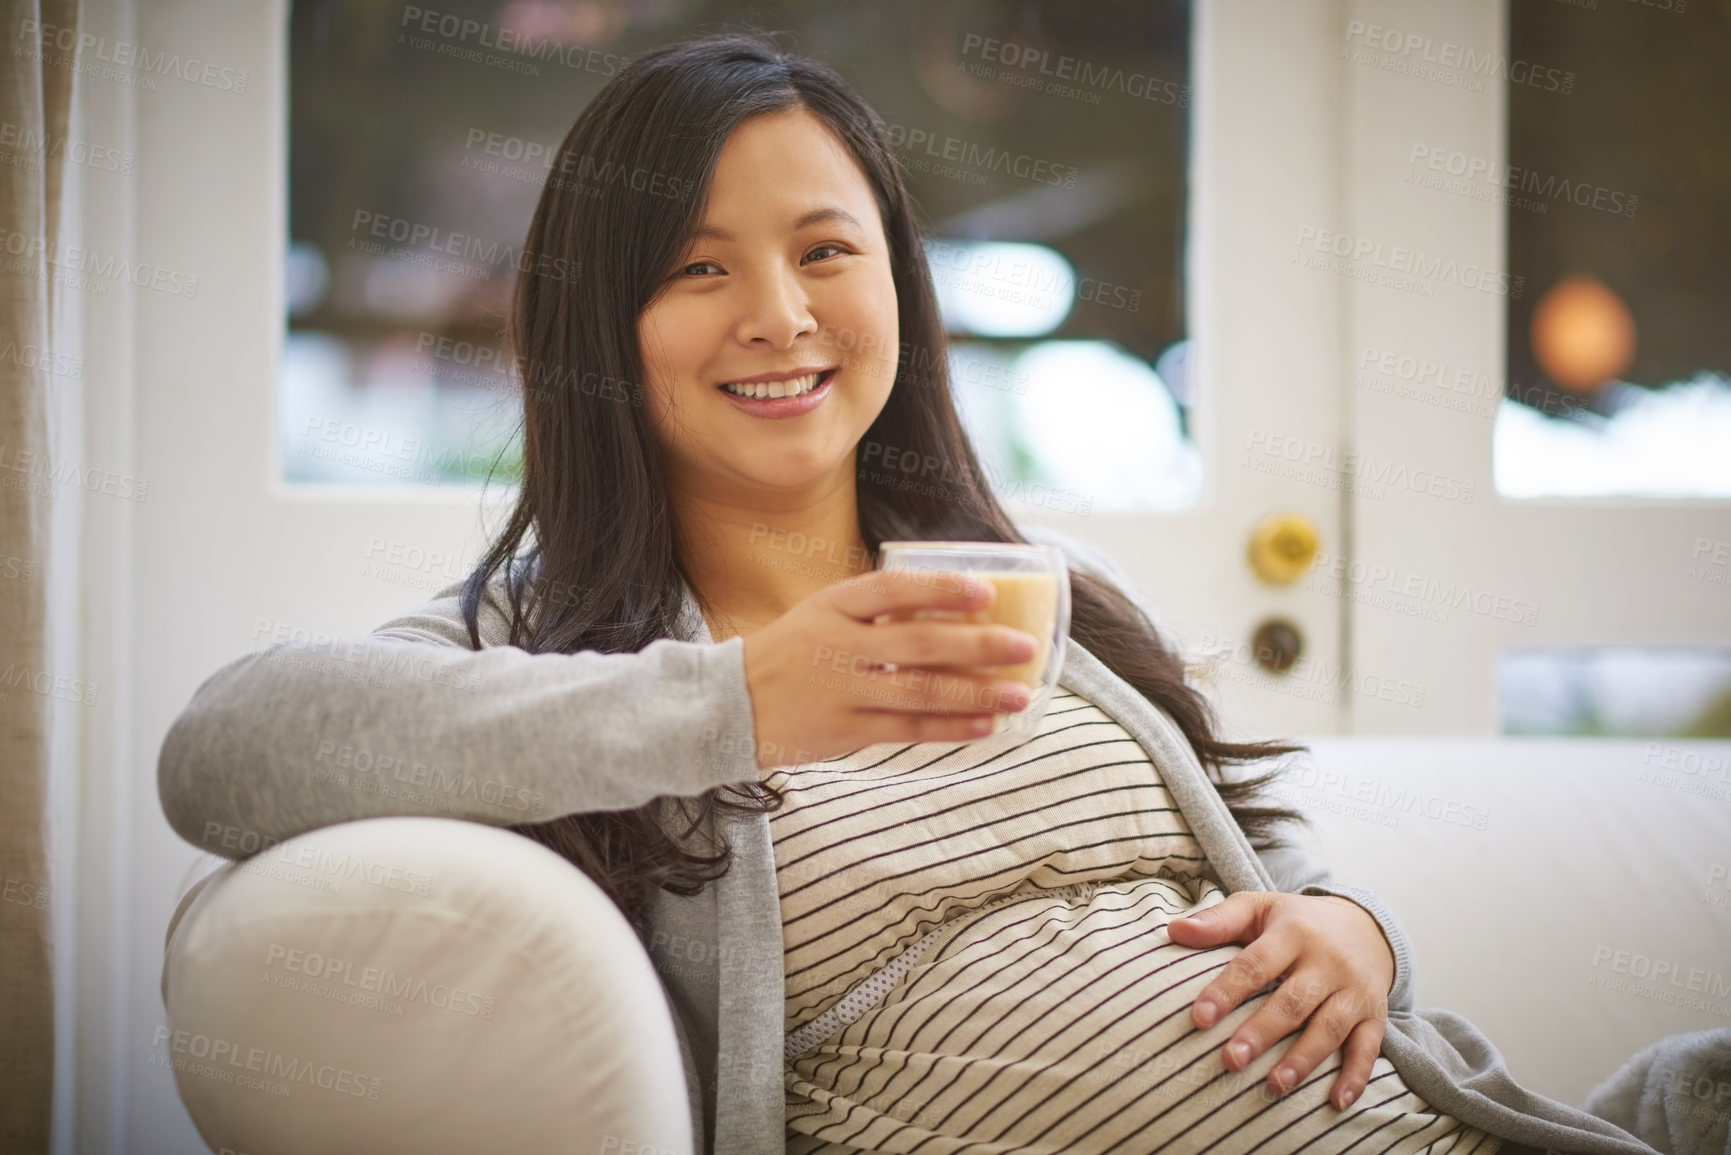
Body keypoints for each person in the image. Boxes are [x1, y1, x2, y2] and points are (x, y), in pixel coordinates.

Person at [158, 32, 1658, 1155]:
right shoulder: (553, 650)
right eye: (696, 268)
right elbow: (227, 750)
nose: (782, 315)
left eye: (827, 251)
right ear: (599, 322)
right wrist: (740, 702)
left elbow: (1254, 871)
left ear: (899, 291)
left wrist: (1354, 930)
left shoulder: (1034, 592)